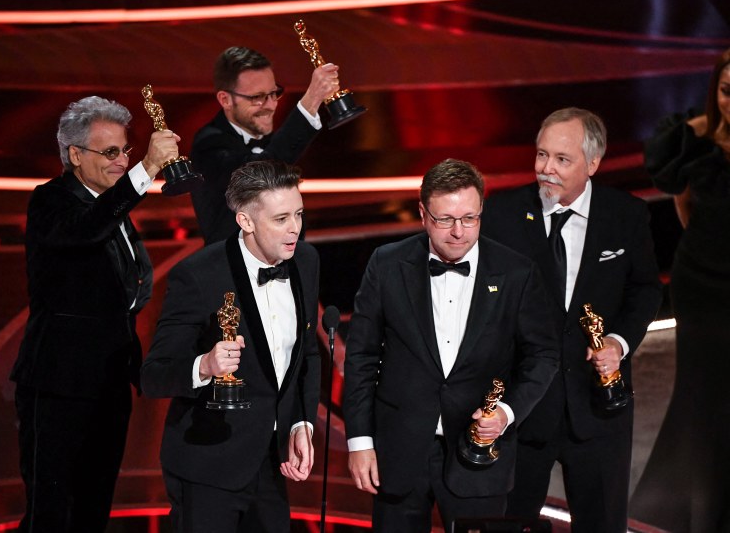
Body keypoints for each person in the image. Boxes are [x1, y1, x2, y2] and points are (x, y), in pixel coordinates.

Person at [342, 158, 560, 532]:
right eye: (445, 220)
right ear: (423, 214)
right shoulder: (387, 264)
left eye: (470, 218)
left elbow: (542, 354)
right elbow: (361, 357)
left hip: (480, 457)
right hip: (398, 453)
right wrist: (359, 441)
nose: (459, 232)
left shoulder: (516, 272)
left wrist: (506, 414)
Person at [481, 107, 662, 532]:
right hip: (519, 410)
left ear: (593, 164)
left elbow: (645, 289)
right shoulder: (502, 215)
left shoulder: (626, 216)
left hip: (597, 409)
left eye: (562, 159)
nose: (546, 169)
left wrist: (617, 341)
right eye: (542, 155)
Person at [10, 95, 180, 532]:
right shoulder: (52, 201)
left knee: (93, 507)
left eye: (125, 151)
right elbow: (87, 230)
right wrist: (146, 171)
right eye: (110, 153)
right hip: (59, 383)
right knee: (52, 512)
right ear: (74, 155)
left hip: (107, 381)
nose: (122, 161)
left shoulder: (112, 206)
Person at [140, 160, 320, 533]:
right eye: (281, 218)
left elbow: (308, 354)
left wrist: (301, 422)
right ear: (246, 221)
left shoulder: (306, 261)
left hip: (271, 465)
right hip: (208, 464)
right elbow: (154, 376)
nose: (294, 229)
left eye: (299, 214)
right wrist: (203, 366)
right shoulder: (199, 274)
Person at [629, 48, 730, 532]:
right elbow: (684, 205)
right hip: (702, 285)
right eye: (728, 92)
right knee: (703, 395)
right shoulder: (695, 140)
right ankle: (701, 513)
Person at [190, 46, 340, 244]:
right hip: (232, 271)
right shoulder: (208, 145)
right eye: (257, 97)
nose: (271, 105)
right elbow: (259, 172)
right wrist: (310, 101)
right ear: (225, 99)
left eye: (273, 93)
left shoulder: (270, 140)